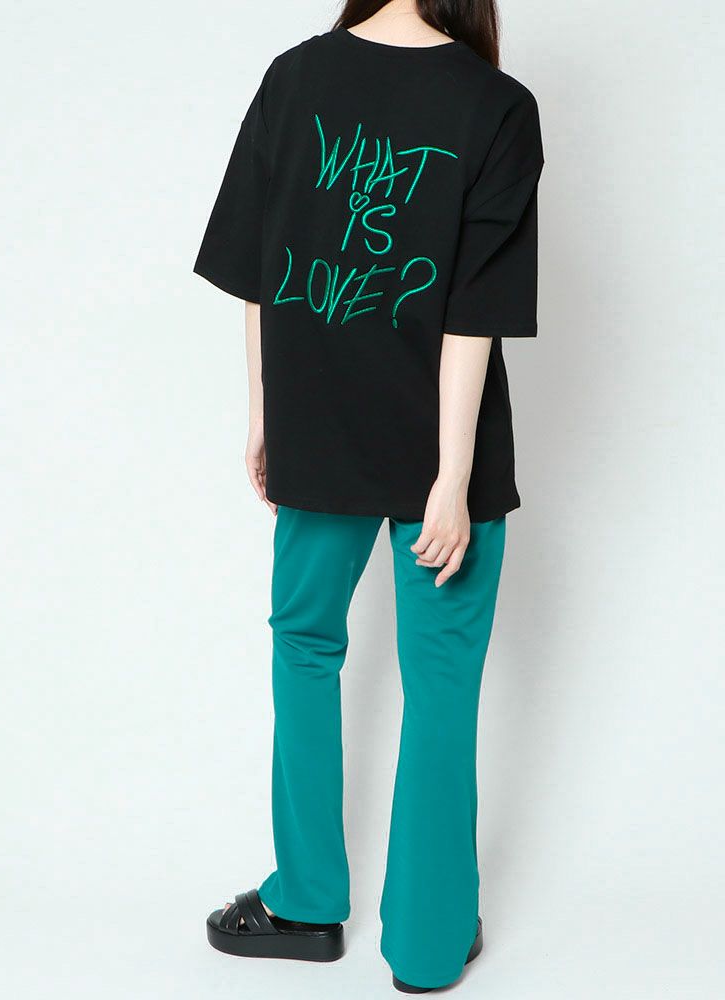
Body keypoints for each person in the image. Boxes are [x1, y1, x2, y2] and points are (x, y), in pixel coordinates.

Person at [192, 0, 543, 992]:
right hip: (443, 446)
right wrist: (450, 475)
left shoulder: (295, 76)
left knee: (304, 647)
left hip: (319, 424)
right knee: (442, 685)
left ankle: (306, 901)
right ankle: (427, 942)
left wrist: (266, 414)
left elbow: (260, 270)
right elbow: (472, 312)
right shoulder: (496, 104)